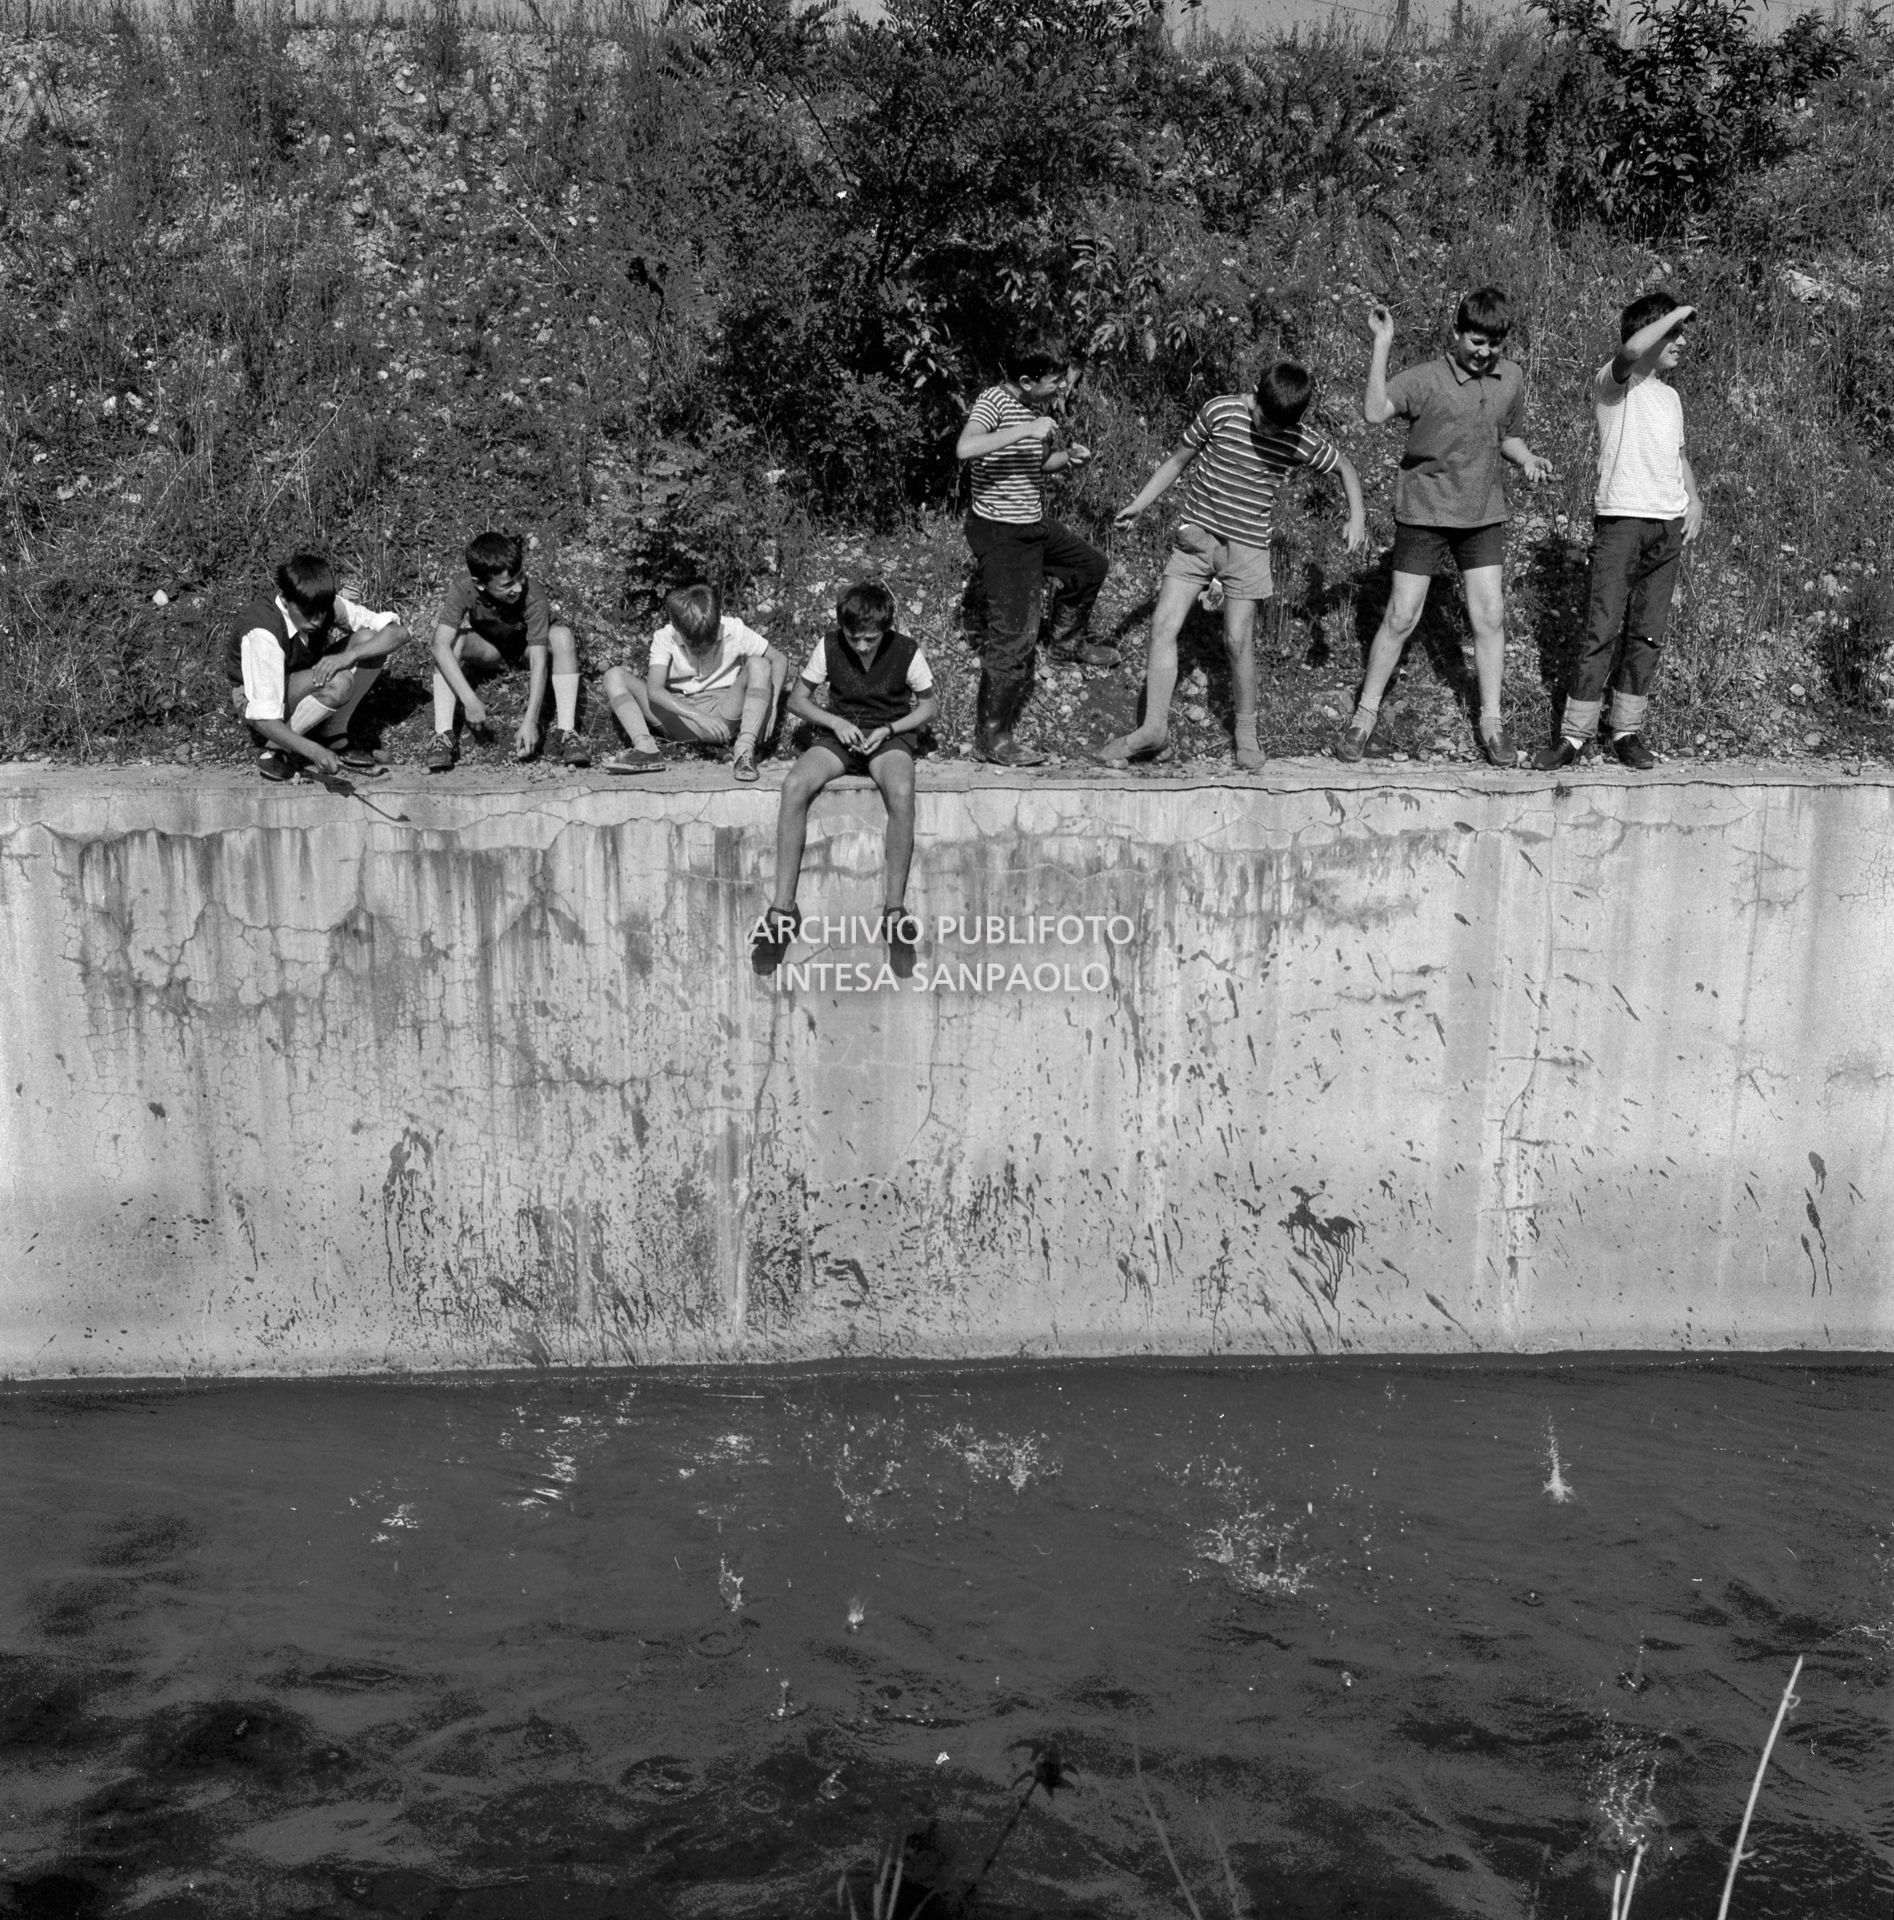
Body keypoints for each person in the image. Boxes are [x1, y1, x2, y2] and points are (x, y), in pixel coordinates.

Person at [1098, 359, 1365, 770]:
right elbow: (1177, 460)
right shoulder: (1220, 411)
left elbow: (1345, 466)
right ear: (1253, 396)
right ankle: (1153, 729)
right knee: (1163, 625)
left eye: (1278, 427)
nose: (1268, 430)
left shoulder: (1298, 440)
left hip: (1247, 549)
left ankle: (1246, 734)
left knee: (1237, 641)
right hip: (1197, 539)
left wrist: (1357, 516)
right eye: (1263, 419)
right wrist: (1140, 503)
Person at [1335, 289, 1552, 767]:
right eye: (1476, 341)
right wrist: (1382, 344)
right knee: (1401, 617)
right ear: (1456, 334)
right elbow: (1374, 413)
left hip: (1481, 516)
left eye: (1494, 344)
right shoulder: (1426, 379)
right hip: (1424, 512)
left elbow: (1508, 436)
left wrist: (1527, 459)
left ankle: (1492, 723)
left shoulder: (1510, 377)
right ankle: (1364, 716)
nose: (1484, 352)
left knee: (1490, 617)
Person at [1535, 294, 1702, 771]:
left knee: (1648, 634)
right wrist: (1673, 313)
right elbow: (1630, 353)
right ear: (1650, 333)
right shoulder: (1614, 382)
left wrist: (1696, 499)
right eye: (1674, 335)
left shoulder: (1671, 398)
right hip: (1621, 522)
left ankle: (1626, 732)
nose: (1682, 343)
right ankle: (1574, 736)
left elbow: (1680, 456)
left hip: (1666, 529)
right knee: (1600, 630)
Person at [749, 582, 938, 976]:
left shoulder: (906, 650)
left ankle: (893, 911)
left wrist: (889, 729)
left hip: (887, 737)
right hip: (840, 737)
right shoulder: (829, 646)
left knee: (902, 791)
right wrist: (835, 721)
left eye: (871, 638)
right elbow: (798, 700)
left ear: (886, 629)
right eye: (855, 638)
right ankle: (783, 909)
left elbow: (929, 705)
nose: (863, 646)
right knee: (794, 786)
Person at [956, 341, 1115, 767]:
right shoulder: (994, 401)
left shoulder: (1033, 411)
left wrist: (1065, 458)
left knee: (1090, 566)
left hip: (1032, 524)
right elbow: (966, 448)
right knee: (1016, 634)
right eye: (1055, 379)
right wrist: (1027, 430)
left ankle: (1065, 644)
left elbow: (1035, 464)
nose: (1062, 385)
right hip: (1001, 533)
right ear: (1026, 381)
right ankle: (992, 738)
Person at [226, 551, 408, 781]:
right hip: (255, 699)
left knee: (368, 639)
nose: (318, 620)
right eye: (308, 614)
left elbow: (398, 633)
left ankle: (333, 734)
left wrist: (349, 656)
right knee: (338, 682)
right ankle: (275, 749)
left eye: (322, 612)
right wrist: (314, 752)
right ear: (285, 600)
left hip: (298, 679)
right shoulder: (264, 633)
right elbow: (262, 717)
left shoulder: (321, 603)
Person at [426, 531, 589, 771]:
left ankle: (567, 731)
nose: (518, 586)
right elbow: (438, 645)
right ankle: (442, 736)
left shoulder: (533, 595)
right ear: (480, 584)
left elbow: (539, 662)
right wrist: (470, 701)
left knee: (562, 636)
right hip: (491, 650)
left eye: (520, 576)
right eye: (507, 584)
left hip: (526, 649)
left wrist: (531, 721)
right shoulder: (464, 587)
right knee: (451, 643)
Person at [599, 583, 788, 781]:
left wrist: (771, 705)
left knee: (759, 664)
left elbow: (779, 659)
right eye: (692, 647)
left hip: (723, 714)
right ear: (678, 630)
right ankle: (645, 747)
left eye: (707, 646)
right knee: (614, 675)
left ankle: (744, 749)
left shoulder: (734, 629)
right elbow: (654, 690)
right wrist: (697, 716)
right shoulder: (665, 637)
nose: (699, 652)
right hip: (680, 717)